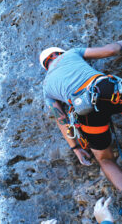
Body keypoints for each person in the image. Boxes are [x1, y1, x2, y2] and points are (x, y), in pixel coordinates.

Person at [40, 41, 122, 190]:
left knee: (104, 159)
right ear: (59, 53)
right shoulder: (72, 53)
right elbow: (111, 50)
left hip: (86, 112)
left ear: (46, 67)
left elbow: (61, 119)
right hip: (106, 90)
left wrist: (76, 148)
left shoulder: (46, 86)